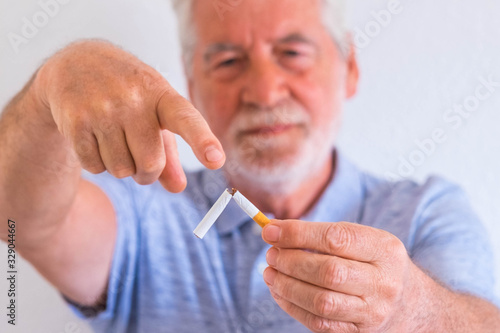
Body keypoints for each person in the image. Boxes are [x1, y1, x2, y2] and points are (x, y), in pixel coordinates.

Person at [1, 0, 499, 332]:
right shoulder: (145, 208)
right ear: (192, 86)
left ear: (348, 68)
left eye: (292, 53)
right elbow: (16, 218)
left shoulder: (426, 211)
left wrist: (411, 309)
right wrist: (48, 90)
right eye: (228, 62)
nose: (263, 92)